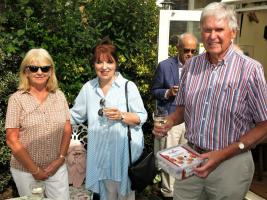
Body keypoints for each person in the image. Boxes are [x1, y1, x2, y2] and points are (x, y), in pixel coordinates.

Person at [153, 2, 267, 200]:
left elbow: (264, 124)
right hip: (191, 160)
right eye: (207, 30)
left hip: (231, 164)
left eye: (219, 29)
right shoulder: (192, 66)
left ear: (233, 32)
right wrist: (169, 122)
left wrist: (223, 154)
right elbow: (181, 110)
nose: (212, 35)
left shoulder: (250, 70)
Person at [70, 40, 147, 200]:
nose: (104, 67)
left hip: (122, 158)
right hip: (100, 158)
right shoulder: (88, 88)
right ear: (94, 65)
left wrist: (122, 115)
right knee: (104, 196)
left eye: (109, 62)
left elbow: (142, 116)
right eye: (99, 62)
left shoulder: (128, 86)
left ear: (116, 63)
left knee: (124, 195)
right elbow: (75, 115)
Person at [5, 48, 72, 200]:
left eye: (45, 68)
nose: (40, 72)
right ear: (26, 72)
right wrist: (35, 170)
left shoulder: (59, 96)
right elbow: (12, 140)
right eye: (34, 68)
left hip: (56, 168)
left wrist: (60, 158)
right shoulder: (16, 99)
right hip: (25, 171)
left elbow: (67, 129)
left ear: (50, 71)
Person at [151, 32, 197, 199]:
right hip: (171, 118)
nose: (190, 54)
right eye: (186, 50)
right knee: (169, 160)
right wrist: (168, 92)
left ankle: (183, 194)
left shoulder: (200, 67)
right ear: (177, 48)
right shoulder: (164, 66)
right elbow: (154, 91)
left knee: (188, 161)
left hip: (191, 122)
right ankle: (168, 194)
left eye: (193, 51)